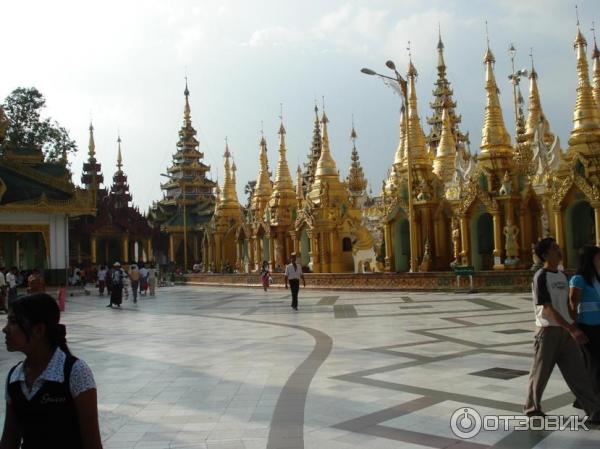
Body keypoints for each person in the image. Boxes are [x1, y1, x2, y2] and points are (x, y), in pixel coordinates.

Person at [0, 293, 102, 448]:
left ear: (39, 330)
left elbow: (92, 443)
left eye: (13, 322)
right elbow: (9, 439)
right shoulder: (15, 377)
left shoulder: (74, 372)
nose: (5, 329)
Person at [524, 238, 600, 421]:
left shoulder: (562, 276)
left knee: (578, 372)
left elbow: (568, 304)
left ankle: (594, 410)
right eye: (554, 248)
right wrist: (571, 328)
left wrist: (573, 325)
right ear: (544, 255)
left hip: (566, 331)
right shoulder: (541, 276)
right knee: (540, 372)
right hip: (548, 330)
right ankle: (532, 408)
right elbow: (547, 308)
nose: (559, 250)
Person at [569, 245, 600, 393]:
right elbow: (572, 306)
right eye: (598, 257)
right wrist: (574, 330)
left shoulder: (597, 279)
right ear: (590, 260)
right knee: (594, 364)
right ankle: (593, 399)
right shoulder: (579, 279)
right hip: (587, 327)